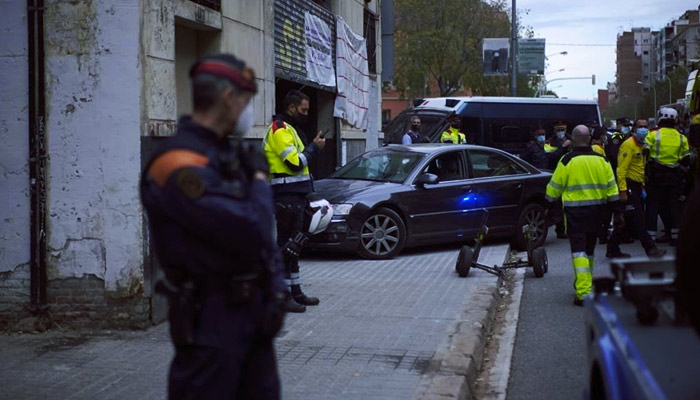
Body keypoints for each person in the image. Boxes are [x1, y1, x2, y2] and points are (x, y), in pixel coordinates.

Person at [140, 54, 285, 399]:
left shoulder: (225, 154)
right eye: (247, 100)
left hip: (254, 317)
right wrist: (262, 181)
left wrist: (276, 290)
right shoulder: (178, 163)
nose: (249, 110)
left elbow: (267, 242)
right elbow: (254, 228)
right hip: (211, 321)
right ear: (227, 98)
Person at [263, 90, 326, 313]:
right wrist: (314, 148)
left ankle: (295, 292)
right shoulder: (280, 129)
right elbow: (294, 163)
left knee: (294, 248)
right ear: (291, 107)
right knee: (286, 247)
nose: (306, 114)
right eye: (303, 110)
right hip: (285, 196)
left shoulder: (290, 130)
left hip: (295, 196)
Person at [545, 125, 620, 306]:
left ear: (574, 139)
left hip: (575, 214)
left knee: (578, 252)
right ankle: (585, 285)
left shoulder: (567, 160)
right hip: (598, 213)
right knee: (589, 250)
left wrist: (547, 203)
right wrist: (616, 212)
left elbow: (553, 190)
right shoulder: (602, 160)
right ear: (588, 139)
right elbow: (612, 188)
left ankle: (583, 291)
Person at [605, 118, 666, 259]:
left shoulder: (643, 145)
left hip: (637, 186)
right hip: (629, 186)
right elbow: (621, 170)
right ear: (634, 129)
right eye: (640, 126)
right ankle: (651, 249)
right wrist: (623, 191)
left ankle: (612, 249)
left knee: (627, 220)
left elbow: (639, 166)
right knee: (639, 219)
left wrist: (643, 181)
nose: (643, 129)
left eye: (645, 126)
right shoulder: (628, 145)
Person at [644, 107, 690, 244]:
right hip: (673, 177)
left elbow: (644, 154)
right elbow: (686, 160)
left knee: (653, 206)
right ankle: (676, 238)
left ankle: (650, 237)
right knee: (674, 207)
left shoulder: (652, 135)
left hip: (656, 176)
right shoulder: (682, 137)